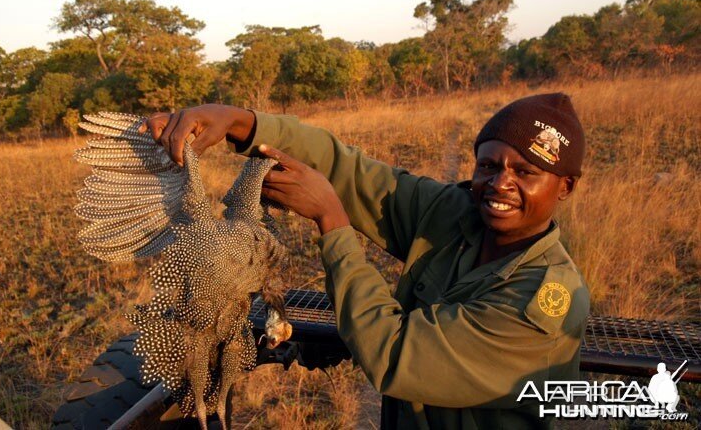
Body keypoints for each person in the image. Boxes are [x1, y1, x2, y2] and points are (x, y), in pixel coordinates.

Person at [141, 92, 590, 429]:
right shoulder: (459, 216)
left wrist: (331, 221)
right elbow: (353, 174)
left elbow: (393, 354)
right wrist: (239, 121)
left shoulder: (545, 301)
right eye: (489, 166)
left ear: (565, 187)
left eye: (526, 172)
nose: (500, 184)